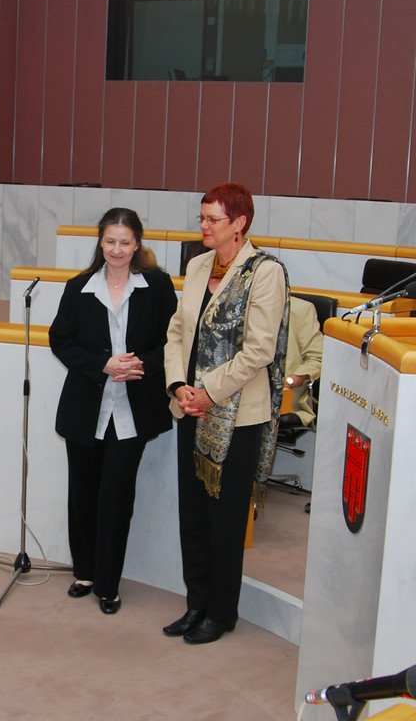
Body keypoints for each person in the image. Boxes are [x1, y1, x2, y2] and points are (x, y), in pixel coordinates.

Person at [162, 182, 289, 645]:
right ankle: (197, 603)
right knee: (193, 515)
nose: (203, 226)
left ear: (239, 223)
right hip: (190, 406)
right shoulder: (197, 265)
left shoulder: (265, 272)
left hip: (236, 417)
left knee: (225, 520)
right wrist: (179, 386)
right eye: (201, 217)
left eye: (212, 219)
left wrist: (208, 393)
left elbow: (260, 350)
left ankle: (222, 612)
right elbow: (177, 333)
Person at [49, 207, 177, 615]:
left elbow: (173, 340)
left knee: (116, 497)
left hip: (133, 411)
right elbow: (60, 340)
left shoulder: (157, 286)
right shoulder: (79, 287)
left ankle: (108, 584)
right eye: (110, 242)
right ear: (100, 243)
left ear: (137, 244)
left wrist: (141, 365)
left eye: (124, 242)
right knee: (82, 495)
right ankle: (85, 572)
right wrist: (101, 364)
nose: (117, 250)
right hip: (86, 408)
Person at [283, 296, 323, 428]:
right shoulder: (237, 306)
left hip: (283, 393)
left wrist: (295, 378)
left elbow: (317, 357)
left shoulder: (301, 309)